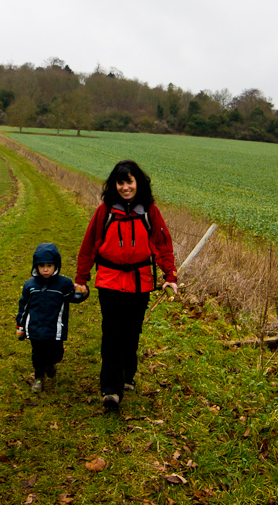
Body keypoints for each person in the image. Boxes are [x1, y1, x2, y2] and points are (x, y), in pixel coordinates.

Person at [75, 160, 178, 410]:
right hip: (109, 279)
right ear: (115, 185)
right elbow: (89, 245)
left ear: (138, 183)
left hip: (140, 281)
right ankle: (110, 389)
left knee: (132, 332)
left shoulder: (150, 211)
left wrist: (170, 276)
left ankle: (127, 374)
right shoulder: (105, 211)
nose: (125, 187)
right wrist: (81, 279)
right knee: (112, 332)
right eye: (120, 182)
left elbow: (163, 244)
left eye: (129, 181)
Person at [16, 242, 88, 392]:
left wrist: (83, 293)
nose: (46, 269)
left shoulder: (63, 284)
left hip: (55, 329)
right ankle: (38, 377)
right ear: (36, 266)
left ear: (56, 265)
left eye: (49, 265)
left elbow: (73, 297)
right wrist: (20, 326)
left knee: (57, 353)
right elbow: (24, 306)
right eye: (42, 266)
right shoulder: (31, 286)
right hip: (35, 328)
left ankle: (50, 364)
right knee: (37, 354)